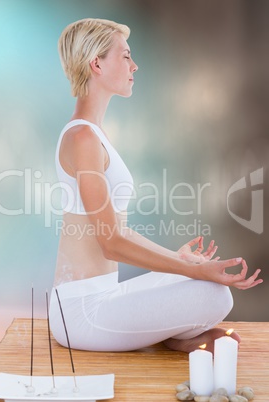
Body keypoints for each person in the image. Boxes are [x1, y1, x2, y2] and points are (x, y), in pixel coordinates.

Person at [49, 18, 262, 353]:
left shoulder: (92, 135)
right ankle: (171, 336)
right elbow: (111, 243)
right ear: (96, 64)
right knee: (215, 294)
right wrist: (198, 269)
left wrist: (184, 262)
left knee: (192, 276)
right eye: (126, 56)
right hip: (80, 314)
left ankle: (169, 334)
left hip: (104, 294)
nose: (135, 65)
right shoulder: (82, 138)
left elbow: (118, 232)